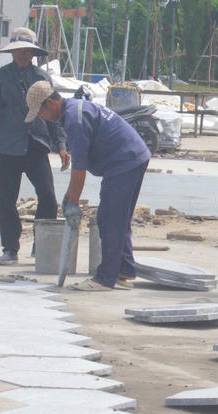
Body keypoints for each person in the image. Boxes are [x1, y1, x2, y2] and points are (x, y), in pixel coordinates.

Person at [25, 80, 151, 291]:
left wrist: (73, 202)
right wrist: (69, 196)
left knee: (109, 218)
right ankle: (124, 269)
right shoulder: (73, 110)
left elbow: (79, 168)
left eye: (40, 112)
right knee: (118, 217)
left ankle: (105, 278)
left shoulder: (75, 119)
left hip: (124, 161)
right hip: (131, 157)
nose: (41, 118)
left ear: (50, 103)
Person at [0, 27, 69, 265]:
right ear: (12, 53)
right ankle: (10, 248)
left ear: (33, 53)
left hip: (36, 145)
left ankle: (41, 244)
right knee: (5, 200)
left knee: (47, 196)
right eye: (18, 51)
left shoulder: (43, 78)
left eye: (27, 50)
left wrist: (61, 145)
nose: (23, 54)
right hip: (6, 147)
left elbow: (56, 114)